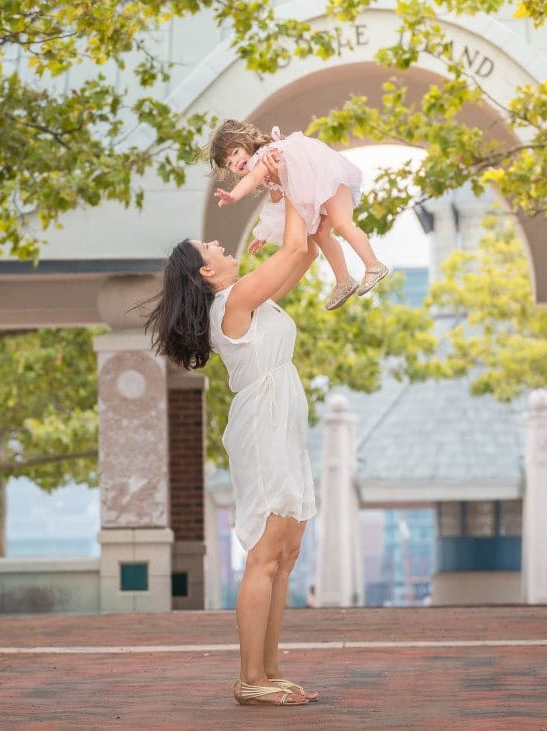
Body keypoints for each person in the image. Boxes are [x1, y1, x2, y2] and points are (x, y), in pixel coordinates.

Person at [145, 199, 319, 707]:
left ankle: (268, 669)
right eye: (212, 247)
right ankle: (249, 678)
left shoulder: (252, 300)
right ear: (206, 270)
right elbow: (291, 246)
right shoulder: (234, 302)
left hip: (281, 422)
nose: (223, 245)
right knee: (265, 554)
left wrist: (311, 211)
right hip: (263, 427)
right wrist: (288, 190)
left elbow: (302, 254)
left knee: (286, 555)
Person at [208, 119, 390, 310]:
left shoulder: (264, 155)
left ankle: (373, 265)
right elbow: (277, 202)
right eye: (229, 163)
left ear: (246, 143)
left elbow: (253, 179)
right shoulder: (266, 171)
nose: (235, 162)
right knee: (319, 233)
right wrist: (262, 234)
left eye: (236, 153)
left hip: (330, 183)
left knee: (342, 224)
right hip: (319, 193)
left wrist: (233, 196)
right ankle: (343, 280)